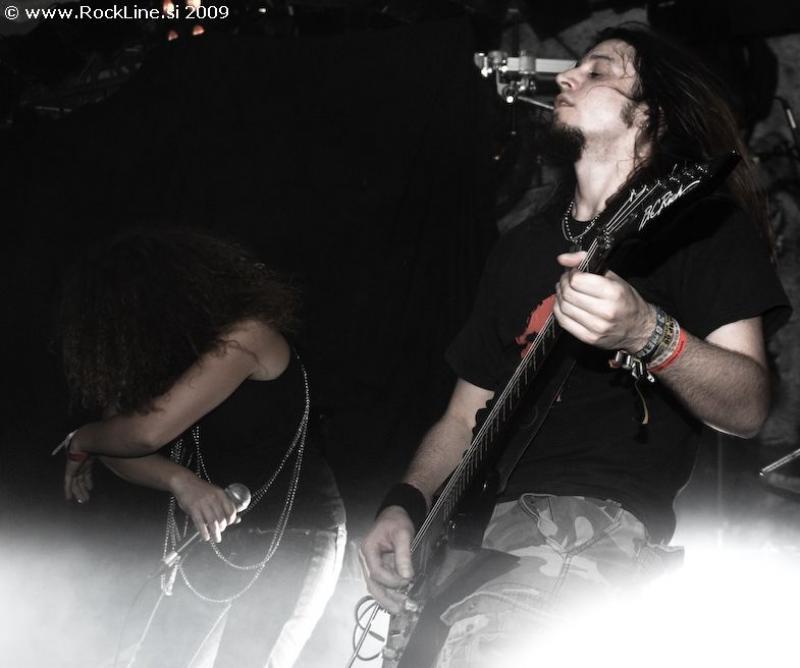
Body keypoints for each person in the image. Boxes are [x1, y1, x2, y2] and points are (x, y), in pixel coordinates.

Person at [360, 24, 791, 666]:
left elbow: (749, 404)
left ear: (651, 113)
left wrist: (648, 334)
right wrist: (405, 503)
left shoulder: (697, 226)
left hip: (580, 530)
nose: (566, 76)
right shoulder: (521, 247)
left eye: (598, 70)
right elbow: (461, 416)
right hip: (465, 540)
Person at [55, 226, 345, 668]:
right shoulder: (162, 361)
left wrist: (82, 440)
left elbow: (143, 435)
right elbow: (122, 443)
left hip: (296, 534)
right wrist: (180, 481)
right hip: (217, 537)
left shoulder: (249, 337)